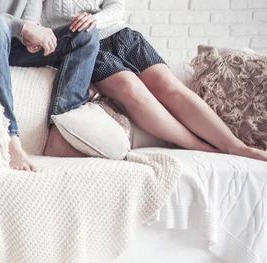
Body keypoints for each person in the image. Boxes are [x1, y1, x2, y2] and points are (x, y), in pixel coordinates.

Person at [41, 0, 267, 161]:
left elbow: (117, 6)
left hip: (120, 35)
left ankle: (237, 146)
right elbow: (34, 20)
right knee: (131, 89)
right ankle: (202, 148)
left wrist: (94, 19)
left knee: (168, 86)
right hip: (85, 46)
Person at [0, 0, 100, 171]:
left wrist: (29, 36)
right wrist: (23, 28)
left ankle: (60, 135)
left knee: (85, 35)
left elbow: (29, 13)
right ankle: (8, 138)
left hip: (7, 38)